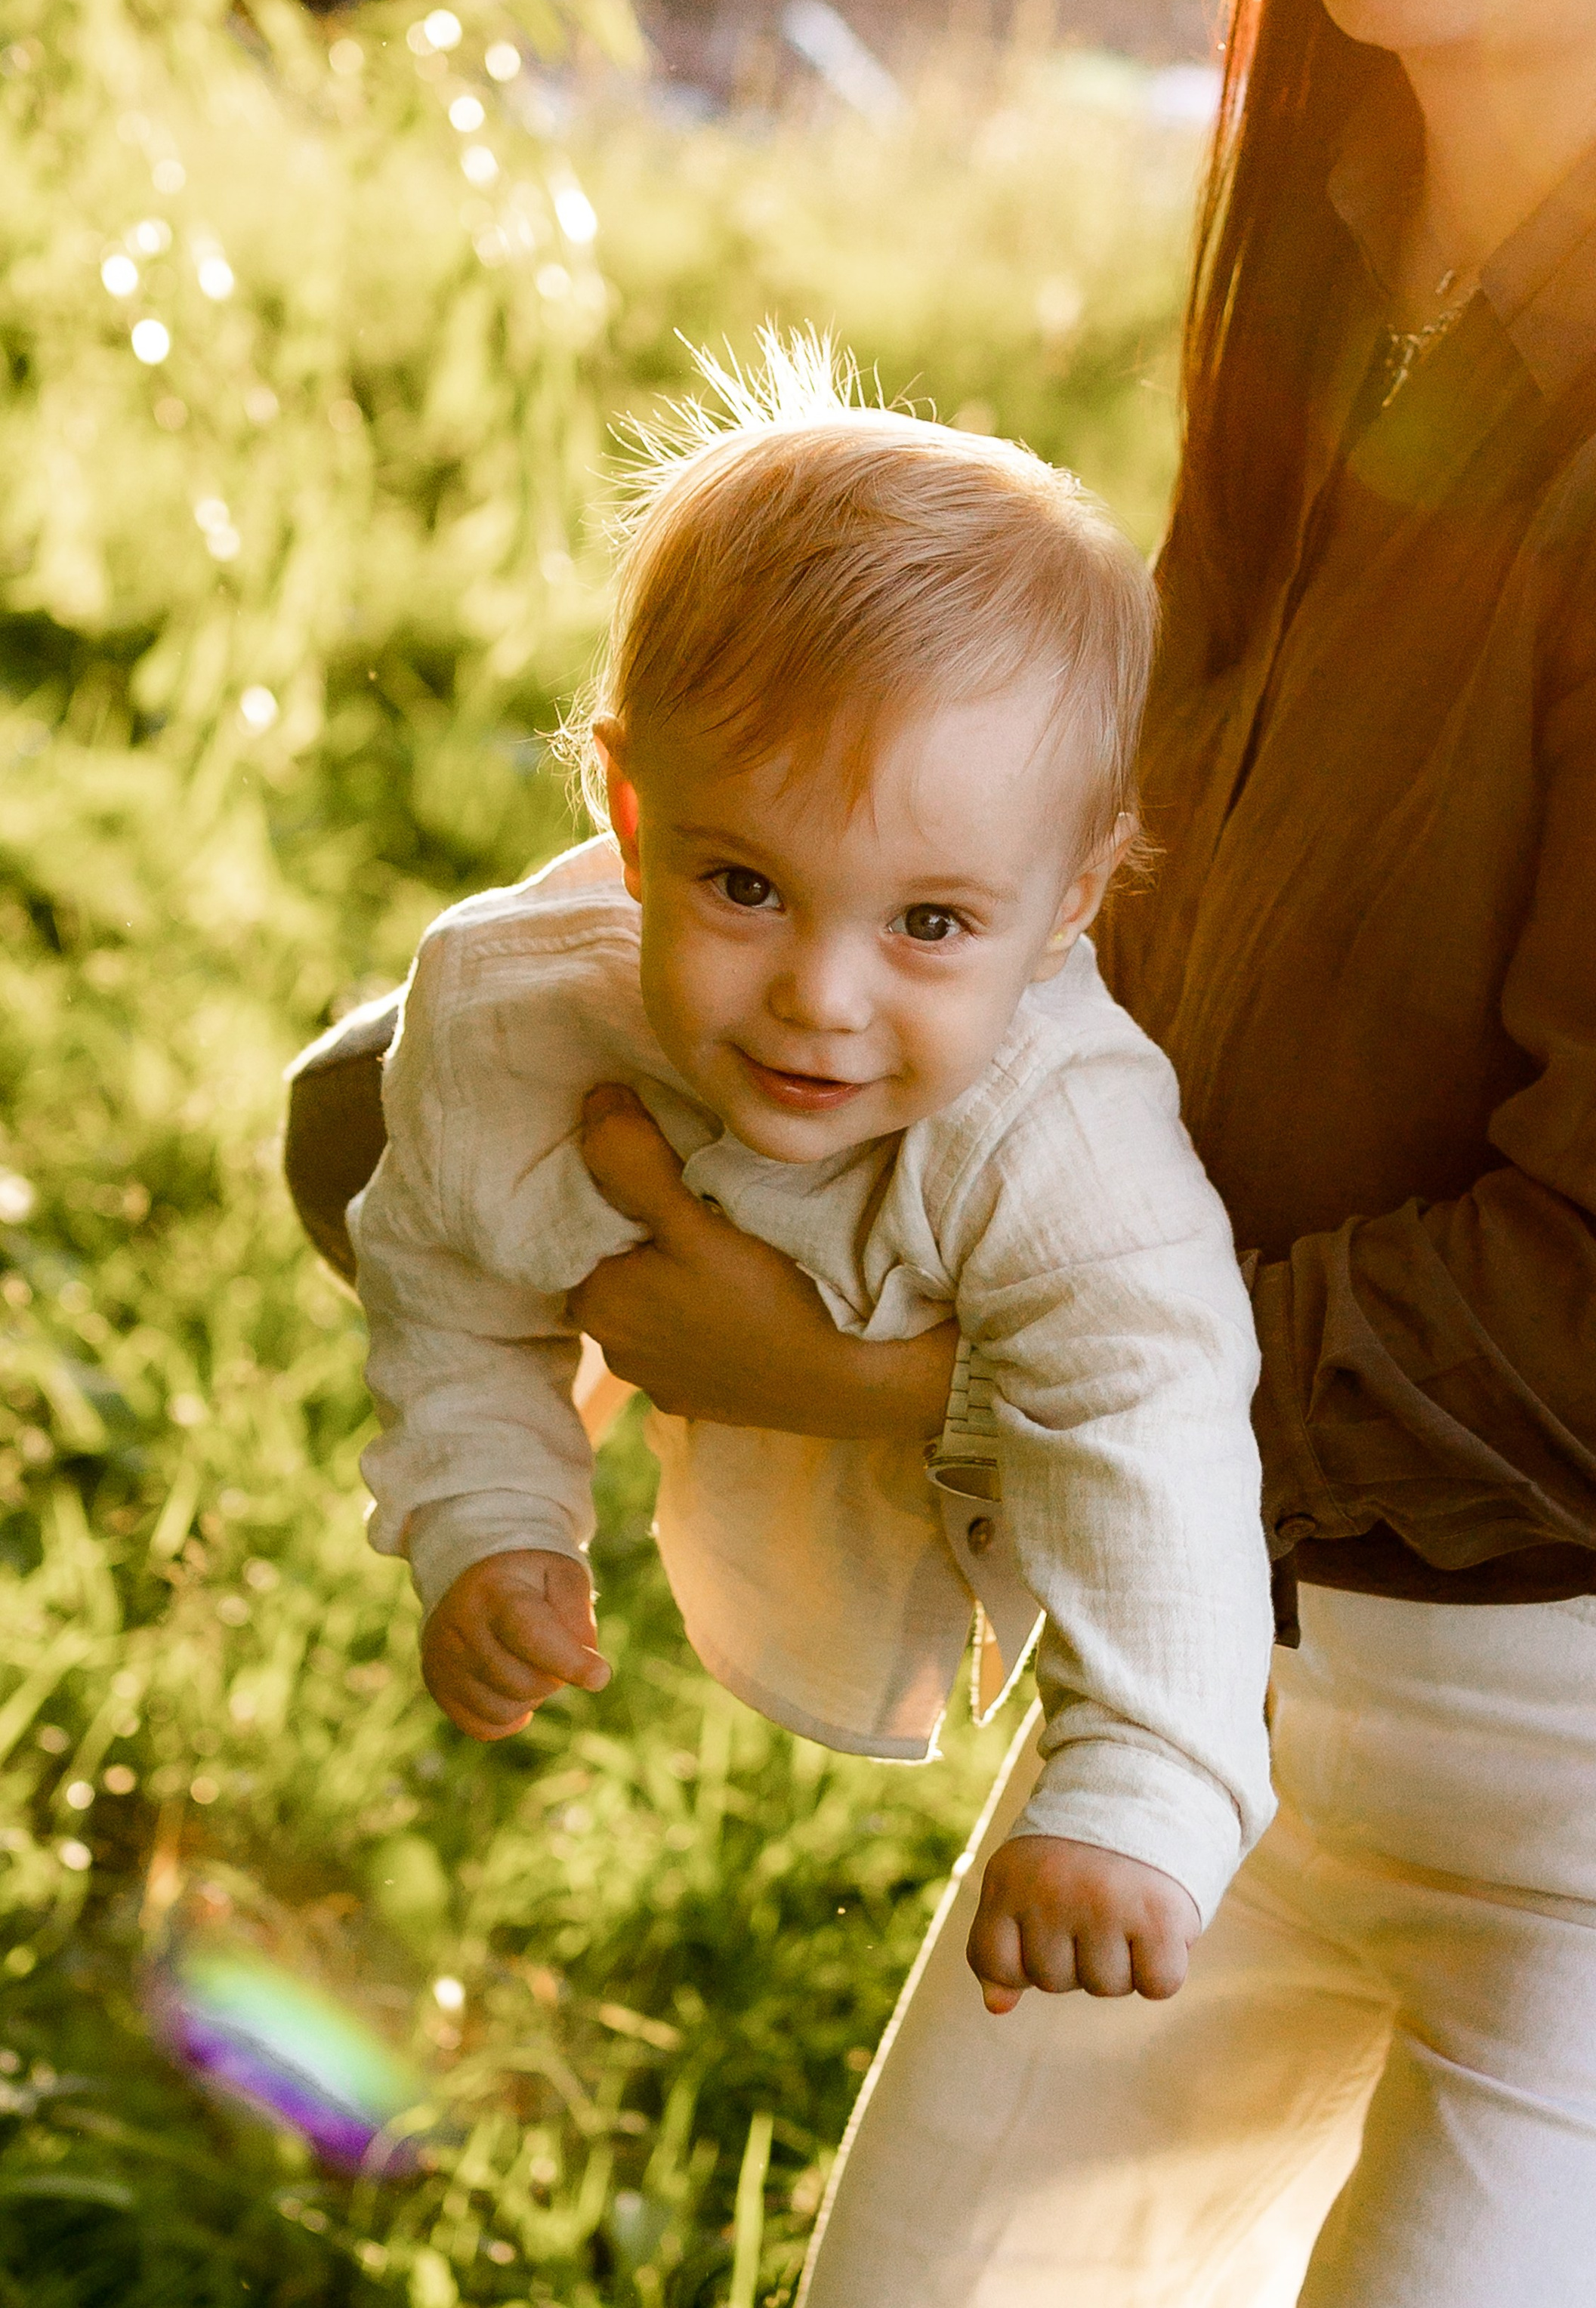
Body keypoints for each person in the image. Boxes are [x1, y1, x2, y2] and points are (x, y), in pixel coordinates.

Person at [281, 0, 1596, 2288]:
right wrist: (565, 1053)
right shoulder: (1357, 195)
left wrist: (882, 1371)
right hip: (1222, 1659)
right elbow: (1186, 915)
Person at [341, 343, 1275, 2016]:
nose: (821, 997)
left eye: (929, 922)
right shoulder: (512, 1015)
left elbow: (1153, 1420)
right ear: (633, 814)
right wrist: (488, 1518)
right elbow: (445, 1280)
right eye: (747, 886)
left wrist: (1141, 1788)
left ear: (1070, 900)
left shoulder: (1058, 1131)